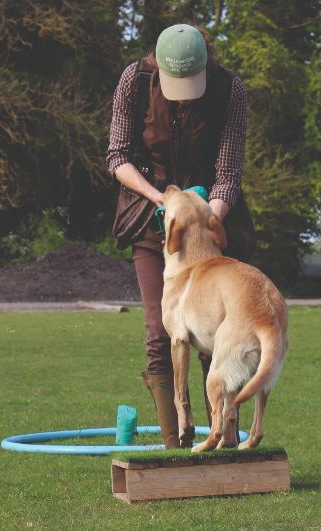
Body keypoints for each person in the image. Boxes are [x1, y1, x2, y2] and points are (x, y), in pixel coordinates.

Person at [106, 23, 254, 448]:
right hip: (153, 216)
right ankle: (175, 447)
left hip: (212, 221)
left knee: (217, 333)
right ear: (158, 68)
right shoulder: (134, 81)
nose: (185, 95)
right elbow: (117, 155)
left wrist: (207, 217)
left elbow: (228, 174)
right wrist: (161, 201)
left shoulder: (230, 91)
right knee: (160, 330)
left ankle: (224, 441)